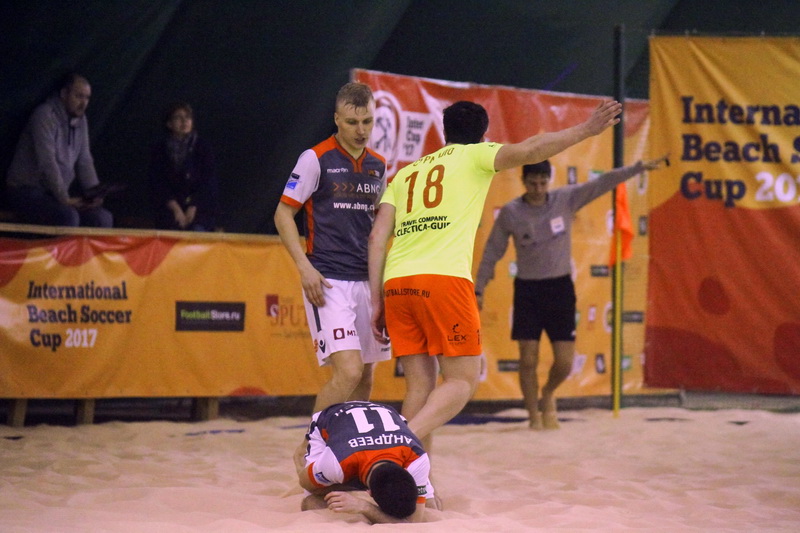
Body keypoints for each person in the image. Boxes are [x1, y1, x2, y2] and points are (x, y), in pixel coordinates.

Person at [368, 99, 623, 444]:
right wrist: (587, 129)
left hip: (397, 283)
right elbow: (532, 149)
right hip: (443, 279)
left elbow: (376, 238)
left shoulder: (405, 174)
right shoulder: (475, 155)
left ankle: (410, 473)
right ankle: (398, 441)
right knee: (462, 381)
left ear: (444, 131)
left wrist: (377, 300)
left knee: (420, 388)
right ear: (483, 135)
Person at [474, 156, 669, 430]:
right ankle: (533, 416)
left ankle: (548, 393)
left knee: (565, 362)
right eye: (532, 183)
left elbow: (602, 183)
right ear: (523, 181)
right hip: (528, 290)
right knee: (527, 359)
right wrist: (479, 288)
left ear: (549, 181)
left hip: (560, 289)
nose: (538, 189)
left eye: (543, 183)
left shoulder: (565, 199)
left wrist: (637, 168)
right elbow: (492, 251)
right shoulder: (511, 212)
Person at [274, 82, 391, 415]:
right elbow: (282, 214)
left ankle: (348, 443)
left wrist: (381, 285)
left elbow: (379, 228)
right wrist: (305, 268)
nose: (361, 130)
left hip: (367, 281)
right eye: (352, 122)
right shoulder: (315, 158)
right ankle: (311, 442)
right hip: (328, 280)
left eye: (367, 121)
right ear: (337, 119)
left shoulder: (379, 165)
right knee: (349, 371)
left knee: (365, 376)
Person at [294, 400, 431, 523]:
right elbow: (306, 484)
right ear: (369, 493)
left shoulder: (417, 460)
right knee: (311, 503)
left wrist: (364, 506)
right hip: (330, 418)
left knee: (432, 505)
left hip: (386, 415)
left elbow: (413, 522)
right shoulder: (336, 463)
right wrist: (354, 491)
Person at [5, 72, 113, 227]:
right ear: (64, 94)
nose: (83, 103)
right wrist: (64, 198)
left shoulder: (82, 121)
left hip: (54, 195)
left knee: (103, 218)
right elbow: (47, 162)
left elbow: (85, 162)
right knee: (68, 217)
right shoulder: (44, 115)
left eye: (87, 98)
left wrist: (95, 195)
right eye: (78, 96)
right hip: (25, 190)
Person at [148, 102, 219, 231]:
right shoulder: (160, 149)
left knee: (198, 231)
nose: (184, 121)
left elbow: (209, 182)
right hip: (170, 210)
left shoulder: (202, 146)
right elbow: (157, 183)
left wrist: (193, 206)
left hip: (199, 210)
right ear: (169, 124)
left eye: (187, 117)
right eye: (178, 117)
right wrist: (175, 208)